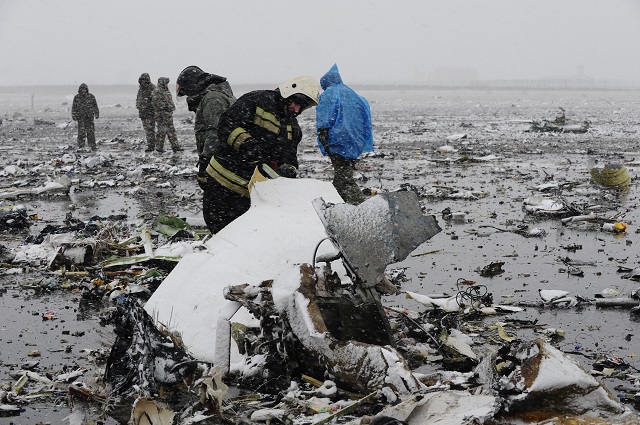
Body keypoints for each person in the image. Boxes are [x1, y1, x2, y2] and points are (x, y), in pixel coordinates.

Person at [200, 75, 321, 233]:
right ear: (288, 92)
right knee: (220, 232)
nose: (297, 110)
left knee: (239, 237)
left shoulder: (293, 129)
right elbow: (226, 125)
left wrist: (288, 169)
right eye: (296, 102)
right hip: (220, 184)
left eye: (302, 106)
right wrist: (246, 144)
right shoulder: (257, 101)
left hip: (249, 195)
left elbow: (289, 157)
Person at [316, 64, 374, 205]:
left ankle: (361, 208)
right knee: (342, 177)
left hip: (337, 141)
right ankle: (344, 205)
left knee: (343, 181)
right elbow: (365, 119)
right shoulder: (354, 95)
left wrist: (325, 141)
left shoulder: (329, 94)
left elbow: (324, 121)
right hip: (354, 142)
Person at [175, 66, 236, 188]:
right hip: (225, 160)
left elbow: (215, 132)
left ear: (192, 86)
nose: (188, 96)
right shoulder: (215, 96)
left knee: (217, 199)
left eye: (187, 92)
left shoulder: (212, 99)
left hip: (220, 162)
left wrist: (206, 161)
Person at [152, 77, 182, 153]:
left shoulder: (165, 90)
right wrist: (166, 107)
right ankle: (159, 147)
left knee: (171, 131)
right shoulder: (157, 91)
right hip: (161, 115)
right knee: (161, 131)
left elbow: (169, 101)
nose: (166, 84)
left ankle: (175, 147)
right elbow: (157, 103)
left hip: (168, 115)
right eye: (165, 83)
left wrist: (171, 107)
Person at [71, 83, 99, 151]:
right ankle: (80, 146)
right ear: (80, 89)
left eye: (85, 89)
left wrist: (96, 113)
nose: (83, 90)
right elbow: (74, 107)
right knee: (81, 133)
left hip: (89, 118)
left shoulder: (91, 96)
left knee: (91, 133)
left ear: (87, 89)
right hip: (81, 118)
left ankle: (92, 146)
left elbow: (95, 106)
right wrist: (74, 115)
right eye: (82, 89)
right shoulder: (77, 97)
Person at [136, 73, 157, 152]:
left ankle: (152, 146)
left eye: (144, 80)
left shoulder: (152, 88)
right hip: (143, 113)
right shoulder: (141, 89)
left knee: (150, 130)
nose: (143, 82)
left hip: (150, 113)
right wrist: (138, 106)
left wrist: (148, 107)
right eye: (141, 80)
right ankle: (151, 144)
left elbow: (155, 100)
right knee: (147, 130)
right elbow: (138, 99)